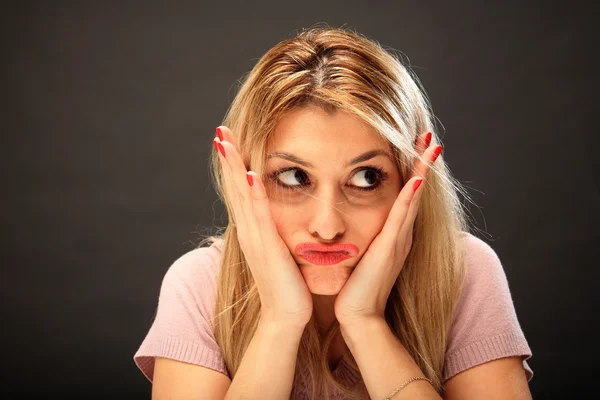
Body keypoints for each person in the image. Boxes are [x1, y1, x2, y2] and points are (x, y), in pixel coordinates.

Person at [134, 26, 533, 400]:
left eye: (366, 177)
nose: (327, 227)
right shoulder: (201, 284)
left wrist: (366, 322)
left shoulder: (462, 271)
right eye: (293, 177)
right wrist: (279, 320)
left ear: (412, 178)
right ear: (244, 177)